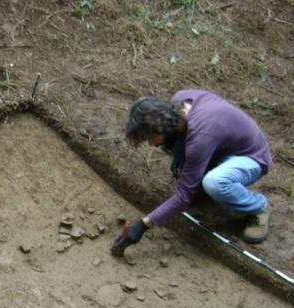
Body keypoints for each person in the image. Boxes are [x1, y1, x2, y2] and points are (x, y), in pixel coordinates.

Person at [113, 89, 274, 255]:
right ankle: (204, 183)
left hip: (252, 158)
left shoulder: (200, 137)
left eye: (150, 138)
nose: (151, 144)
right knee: (183, 159)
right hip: (222, 147)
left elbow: (184, 196)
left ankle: (258, 207)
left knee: (214, 183)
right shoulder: (179, 102)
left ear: (161, 128)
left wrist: (143, 225)